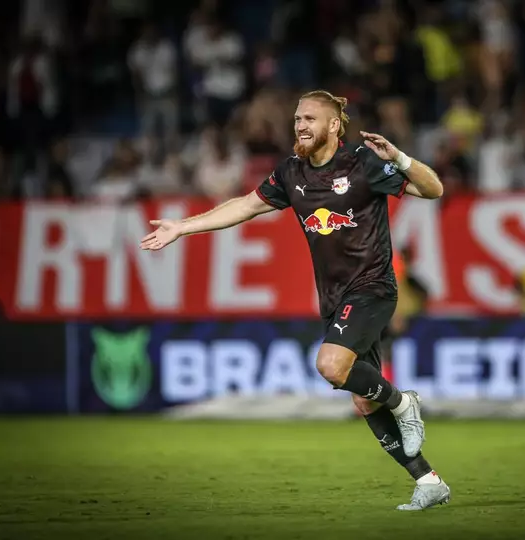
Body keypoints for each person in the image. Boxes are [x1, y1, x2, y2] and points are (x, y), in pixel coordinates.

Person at [140, 90, 450, 510]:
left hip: (372, 287)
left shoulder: (363, 163)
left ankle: (403, 401)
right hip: (334, 297)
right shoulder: (291, 172)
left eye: (309, 119)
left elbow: (433, 189)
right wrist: (183, 227)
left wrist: (401, 158)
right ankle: (428, 480)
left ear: (334, 125)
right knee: (363, 397)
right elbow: (244, 206)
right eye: (297, 119)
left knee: (330, 365)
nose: (300, 126)